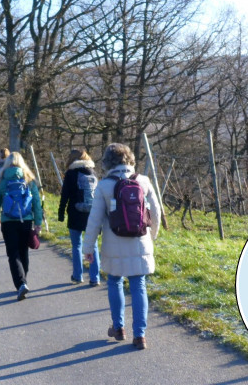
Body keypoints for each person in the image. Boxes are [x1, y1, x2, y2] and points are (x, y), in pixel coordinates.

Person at [82, 143, 160, 350]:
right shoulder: (144, 181)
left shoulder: (105, 185)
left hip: (113, 244)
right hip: (140, 242)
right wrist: (151, 236)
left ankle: (118, 328)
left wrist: (88, 247)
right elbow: (157, 212)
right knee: (139, 285)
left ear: (107, 162)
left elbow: (95, 219)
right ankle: (140, 335)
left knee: (115, 282)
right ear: (131, 160)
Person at [0, 151, 43, 301]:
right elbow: (36, 203)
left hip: (8, 221)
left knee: (13, 254)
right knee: (23, 252)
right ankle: (23, 280)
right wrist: (38, 222)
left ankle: (21, 283)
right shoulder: (29, 179)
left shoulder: (2, 179)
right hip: (25, 220)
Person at [58, 148, 100, 286]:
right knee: (93, 245)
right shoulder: (94, 173)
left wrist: (61, 212)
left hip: (75, 213)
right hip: (92, 214)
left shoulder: (71, 173)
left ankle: (78, 276)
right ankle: (95, 278)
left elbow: (65, 195)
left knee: (77, 245)